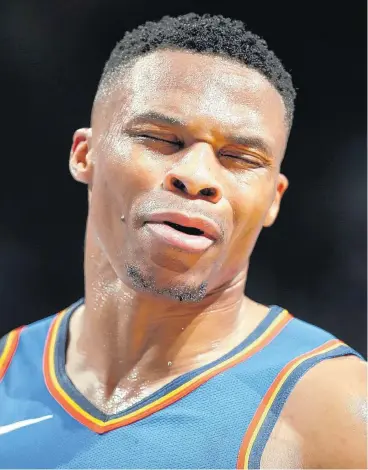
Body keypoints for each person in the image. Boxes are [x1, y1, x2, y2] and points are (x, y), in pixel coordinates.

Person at [0, 13, 366, 469]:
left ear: (273, 200)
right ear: (84, 154)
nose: (196, 177)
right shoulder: (7, 370)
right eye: (160, 139)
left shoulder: (339, 411)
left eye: (239, 158)